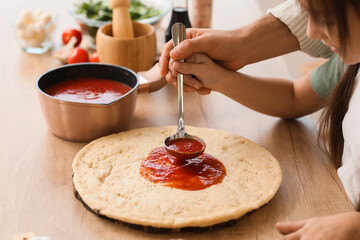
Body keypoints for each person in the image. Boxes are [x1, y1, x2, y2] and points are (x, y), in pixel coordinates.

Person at [160, 0, 360, 239]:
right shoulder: (351, 62)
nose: (311, 32)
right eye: (307, 15)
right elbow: (294, 98)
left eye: (325, 19)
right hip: (336, 205)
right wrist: (216, 78)